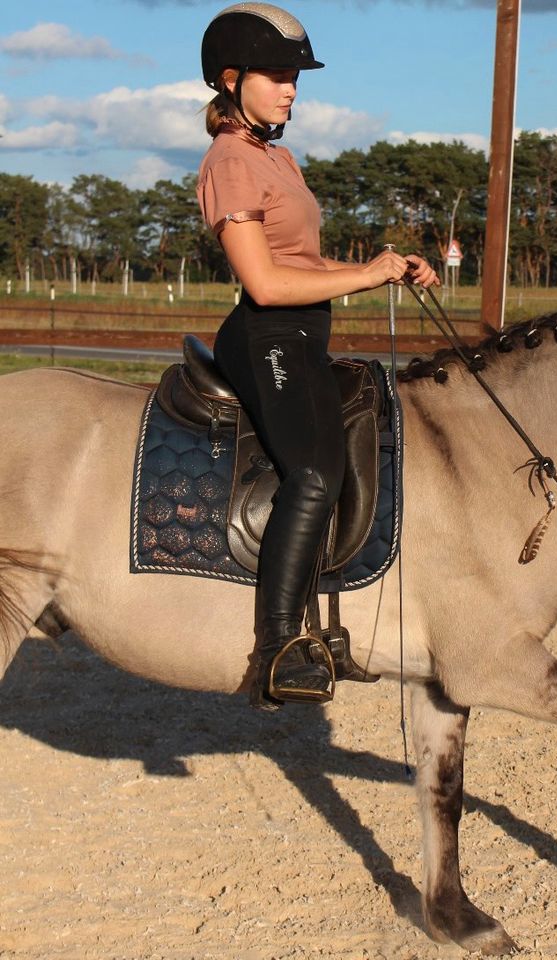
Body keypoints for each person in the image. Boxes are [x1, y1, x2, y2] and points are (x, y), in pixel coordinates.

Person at [197, 2, 438, 710]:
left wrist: (383, 264)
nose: (289, 89)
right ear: (230, 78)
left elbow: (300, 259)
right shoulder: (230, 162)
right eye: (275, 75)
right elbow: (265, 282)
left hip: (303, 332)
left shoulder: (277, 156)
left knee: (357, 440)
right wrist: (366, 277)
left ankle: (320, 620)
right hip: (266, 336)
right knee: (310, 473)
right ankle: (275, 647)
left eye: (295, 77)